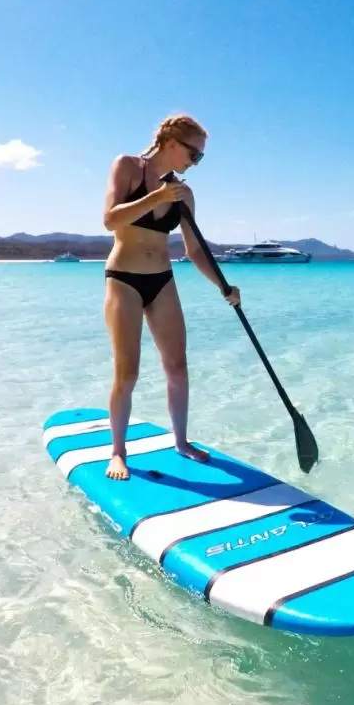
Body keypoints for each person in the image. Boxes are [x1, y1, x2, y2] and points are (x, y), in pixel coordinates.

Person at [100, 113, 240, 480]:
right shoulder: (128, 166)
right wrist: (158, 197)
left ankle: (180, 441)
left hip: (162, 280)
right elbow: (110, 220)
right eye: (195, 155)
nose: (196, 164)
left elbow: (194, 251)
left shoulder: (184, 193)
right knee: (127, 372)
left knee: (177, 366)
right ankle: (118, 451)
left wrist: (224, 287)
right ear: (174, 144)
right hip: (124, 279)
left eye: (200, 158)